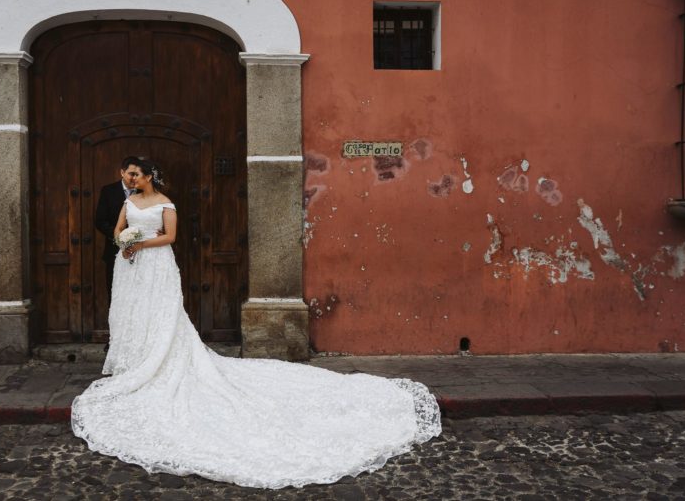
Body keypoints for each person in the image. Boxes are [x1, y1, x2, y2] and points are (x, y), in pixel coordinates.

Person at [72, 159, 442, 489]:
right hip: (129, 266)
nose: (130, 179)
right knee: (130, 311)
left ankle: (157, 357)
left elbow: (170, 237)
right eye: (128, 174)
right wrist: (125, 242)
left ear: (150, 176)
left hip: (155, 264)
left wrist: (142, 243)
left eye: (135, 174)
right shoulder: (126, 202)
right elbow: (118, 230)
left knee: (158, 312)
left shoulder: (166, 203)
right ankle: (131, 360)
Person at [95, 156, 142, 302]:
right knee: (116, 293)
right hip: (114, 251)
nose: (134, 178)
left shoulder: (144, 192)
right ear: (122, 172)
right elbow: (100, 221)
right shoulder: (108, 191)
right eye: (131, 174)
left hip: (142, 251)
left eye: (137, 174)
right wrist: (121, 238)